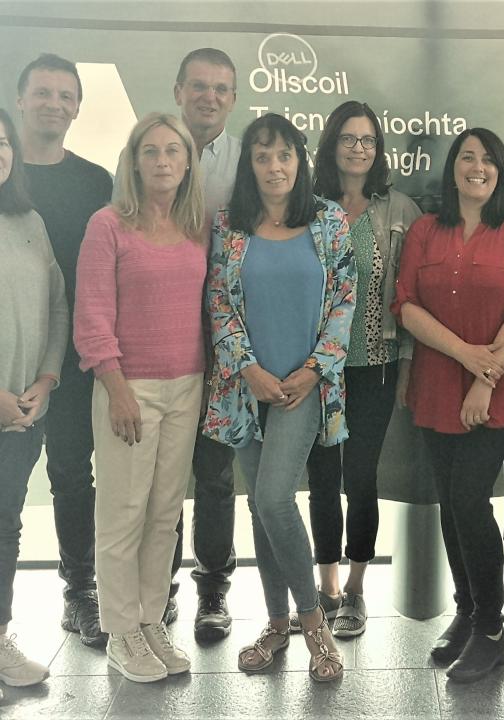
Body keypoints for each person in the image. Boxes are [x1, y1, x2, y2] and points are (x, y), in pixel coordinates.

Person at [202, 113, 354, 683]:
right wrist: (247, 369)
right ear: (250, 165)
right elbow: (218, 301)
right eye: (262, 156)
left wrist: (313, 370)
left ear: (300, 161)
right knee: (260, 509)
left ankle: (313, 625)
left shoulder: (329, 222)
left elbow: (345, 301)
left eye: (284, 154)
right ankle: (274, 622)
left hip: (303, 387)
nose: (274, 166)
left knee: (273, 500)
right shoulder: (229, 225)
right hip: (246, 389)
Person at [393, 128, 504, 682]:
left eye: (487, 158)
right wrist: (465, 356)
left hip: (500, 390)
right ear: (452, 168)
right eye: (466, 157)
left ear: (500, 170)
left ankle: (491, 631)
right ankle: (466, 611)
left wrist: (487, 376)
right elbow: (405, 305)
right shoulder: (424, 231)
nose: (476, 167)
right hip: (436, 386)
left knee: (467, 499)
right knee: (450, 503)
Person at [74, 113, 207, 682]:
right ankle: (121, 631)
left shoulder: (196, 226)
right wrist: (116, 388)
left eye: (172, 150)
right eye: (149, 151)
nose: (161, 160)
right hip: (128, 389)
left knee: (164, 515)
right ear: (134, 162)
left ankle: (151, 622)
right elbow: (92, 315)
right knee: (123, 515)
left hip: (187, 387)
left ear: (186, 162)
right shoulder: (107, 225)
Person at [305, 100, 422, 637]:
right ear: (331, 146)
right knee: (322, 479)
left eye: (368, 140)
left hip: (374, 366)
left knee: (361, 478)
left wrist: (405, 366)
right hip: (315, 371)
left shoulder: (399, 209)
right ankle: (325, 588)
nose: (358, 148)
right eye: (348, 139)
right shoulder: (305, 205)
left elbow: (412, 294)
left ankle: (355, 588)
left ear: (378, 150)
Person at [17, 53, 112, 648]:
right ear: (20, 100)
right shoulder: (3, 172)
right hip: (9, 356)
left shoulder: (95, 181)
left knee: (73, 476)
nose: (54, 103)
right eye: (43, 93)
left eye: (64, 95)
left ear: (77, 107)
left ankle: (80, 592)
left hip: (75, 359)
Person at [170, 46, 243, 643]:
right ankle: (156, 586)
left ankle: (213, 591)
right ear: (178, 90)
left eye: (221, 89)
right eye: (199, 86)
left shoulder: (247, 163)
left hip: (224, 347)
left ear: (234, 98)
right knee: (162, 475)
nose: (209, 97)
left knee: (215, 475)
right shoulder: (151, 152)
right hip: (158, 342)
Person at [0, 106, 67, 689]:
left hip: (23, 411)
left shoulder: (28, 220)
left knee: (5, 523)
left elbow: (56, 304)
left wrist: (45, 379)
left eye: (1, 142)